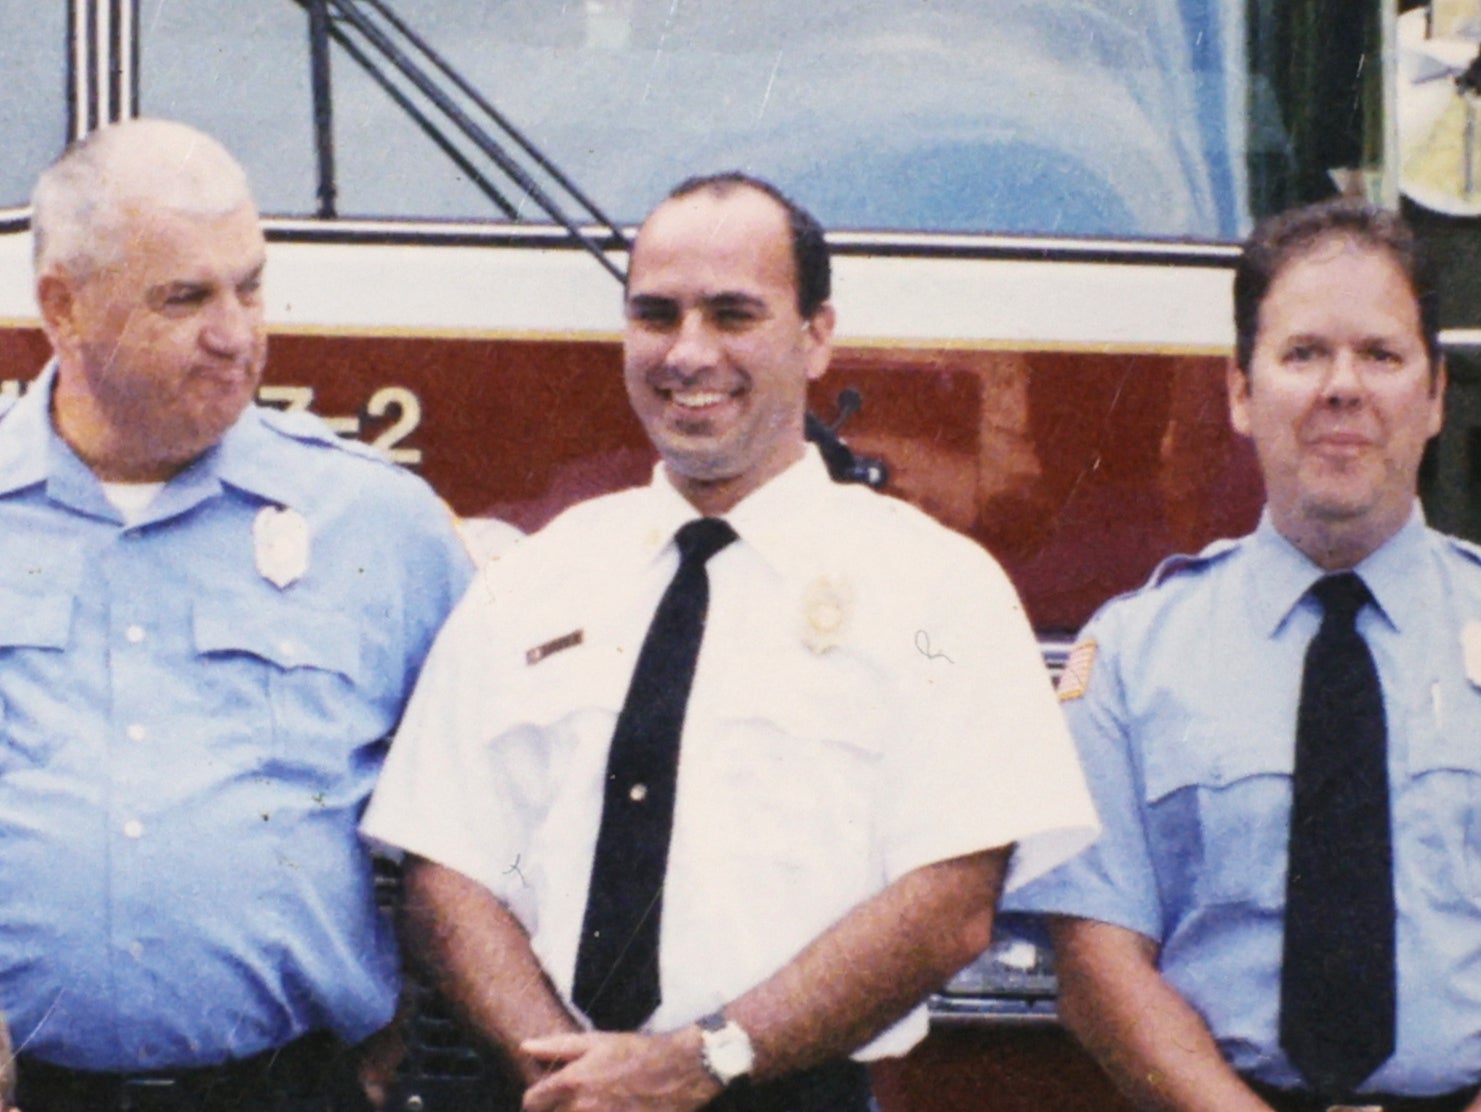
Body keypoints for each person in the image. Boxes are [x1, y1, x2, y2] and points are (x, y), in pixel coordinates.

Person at [361, 172, 1099, 1112]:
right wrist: (572, 1081)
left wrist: (700, 1062)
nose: (688, 353)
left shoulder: (937, 590)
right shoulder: (536, 577)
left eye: (732, 314)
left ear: (816, 335)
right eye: (656, 315)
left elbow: (950, 903)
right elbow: (443, 868)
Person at [0, 118, 473, 1110]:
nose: (237, 333)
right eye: (186, 298)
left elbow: (495, 809)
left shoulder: (377, 523)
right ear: (62, 305)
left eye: (249, 285)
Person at [1006, 196, 1481, 1111]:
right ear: (1238, 391)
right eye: (1302, 354)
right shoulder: (1134, 653)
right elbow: (1098, 962)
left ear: (1432, 398)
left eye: (1379, 355)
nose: (1341, 386)